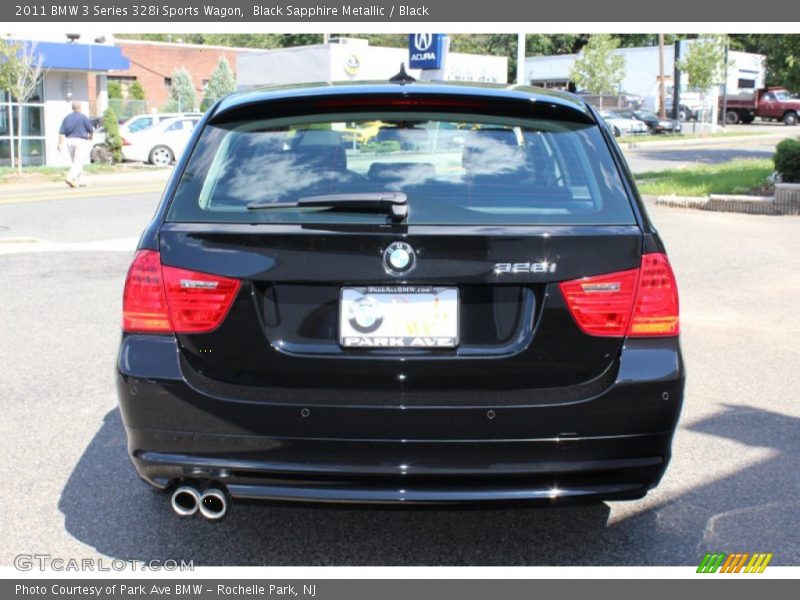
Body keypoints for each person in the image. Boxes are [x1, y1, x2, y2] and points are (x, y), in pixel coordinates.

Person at [57, 102, 94, 187]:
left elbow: (61, 132)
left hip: (69, 141)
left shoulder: (67, 118)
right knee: (79, 161)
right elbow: (90, 129)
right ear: (80, 107)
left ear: (72, 108)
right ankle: (70, 178)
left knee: (75, 161)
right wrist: (91, 137)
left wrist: (60, 143)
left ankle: (81, 181)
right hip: (81, 141)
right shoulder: (83, 117)